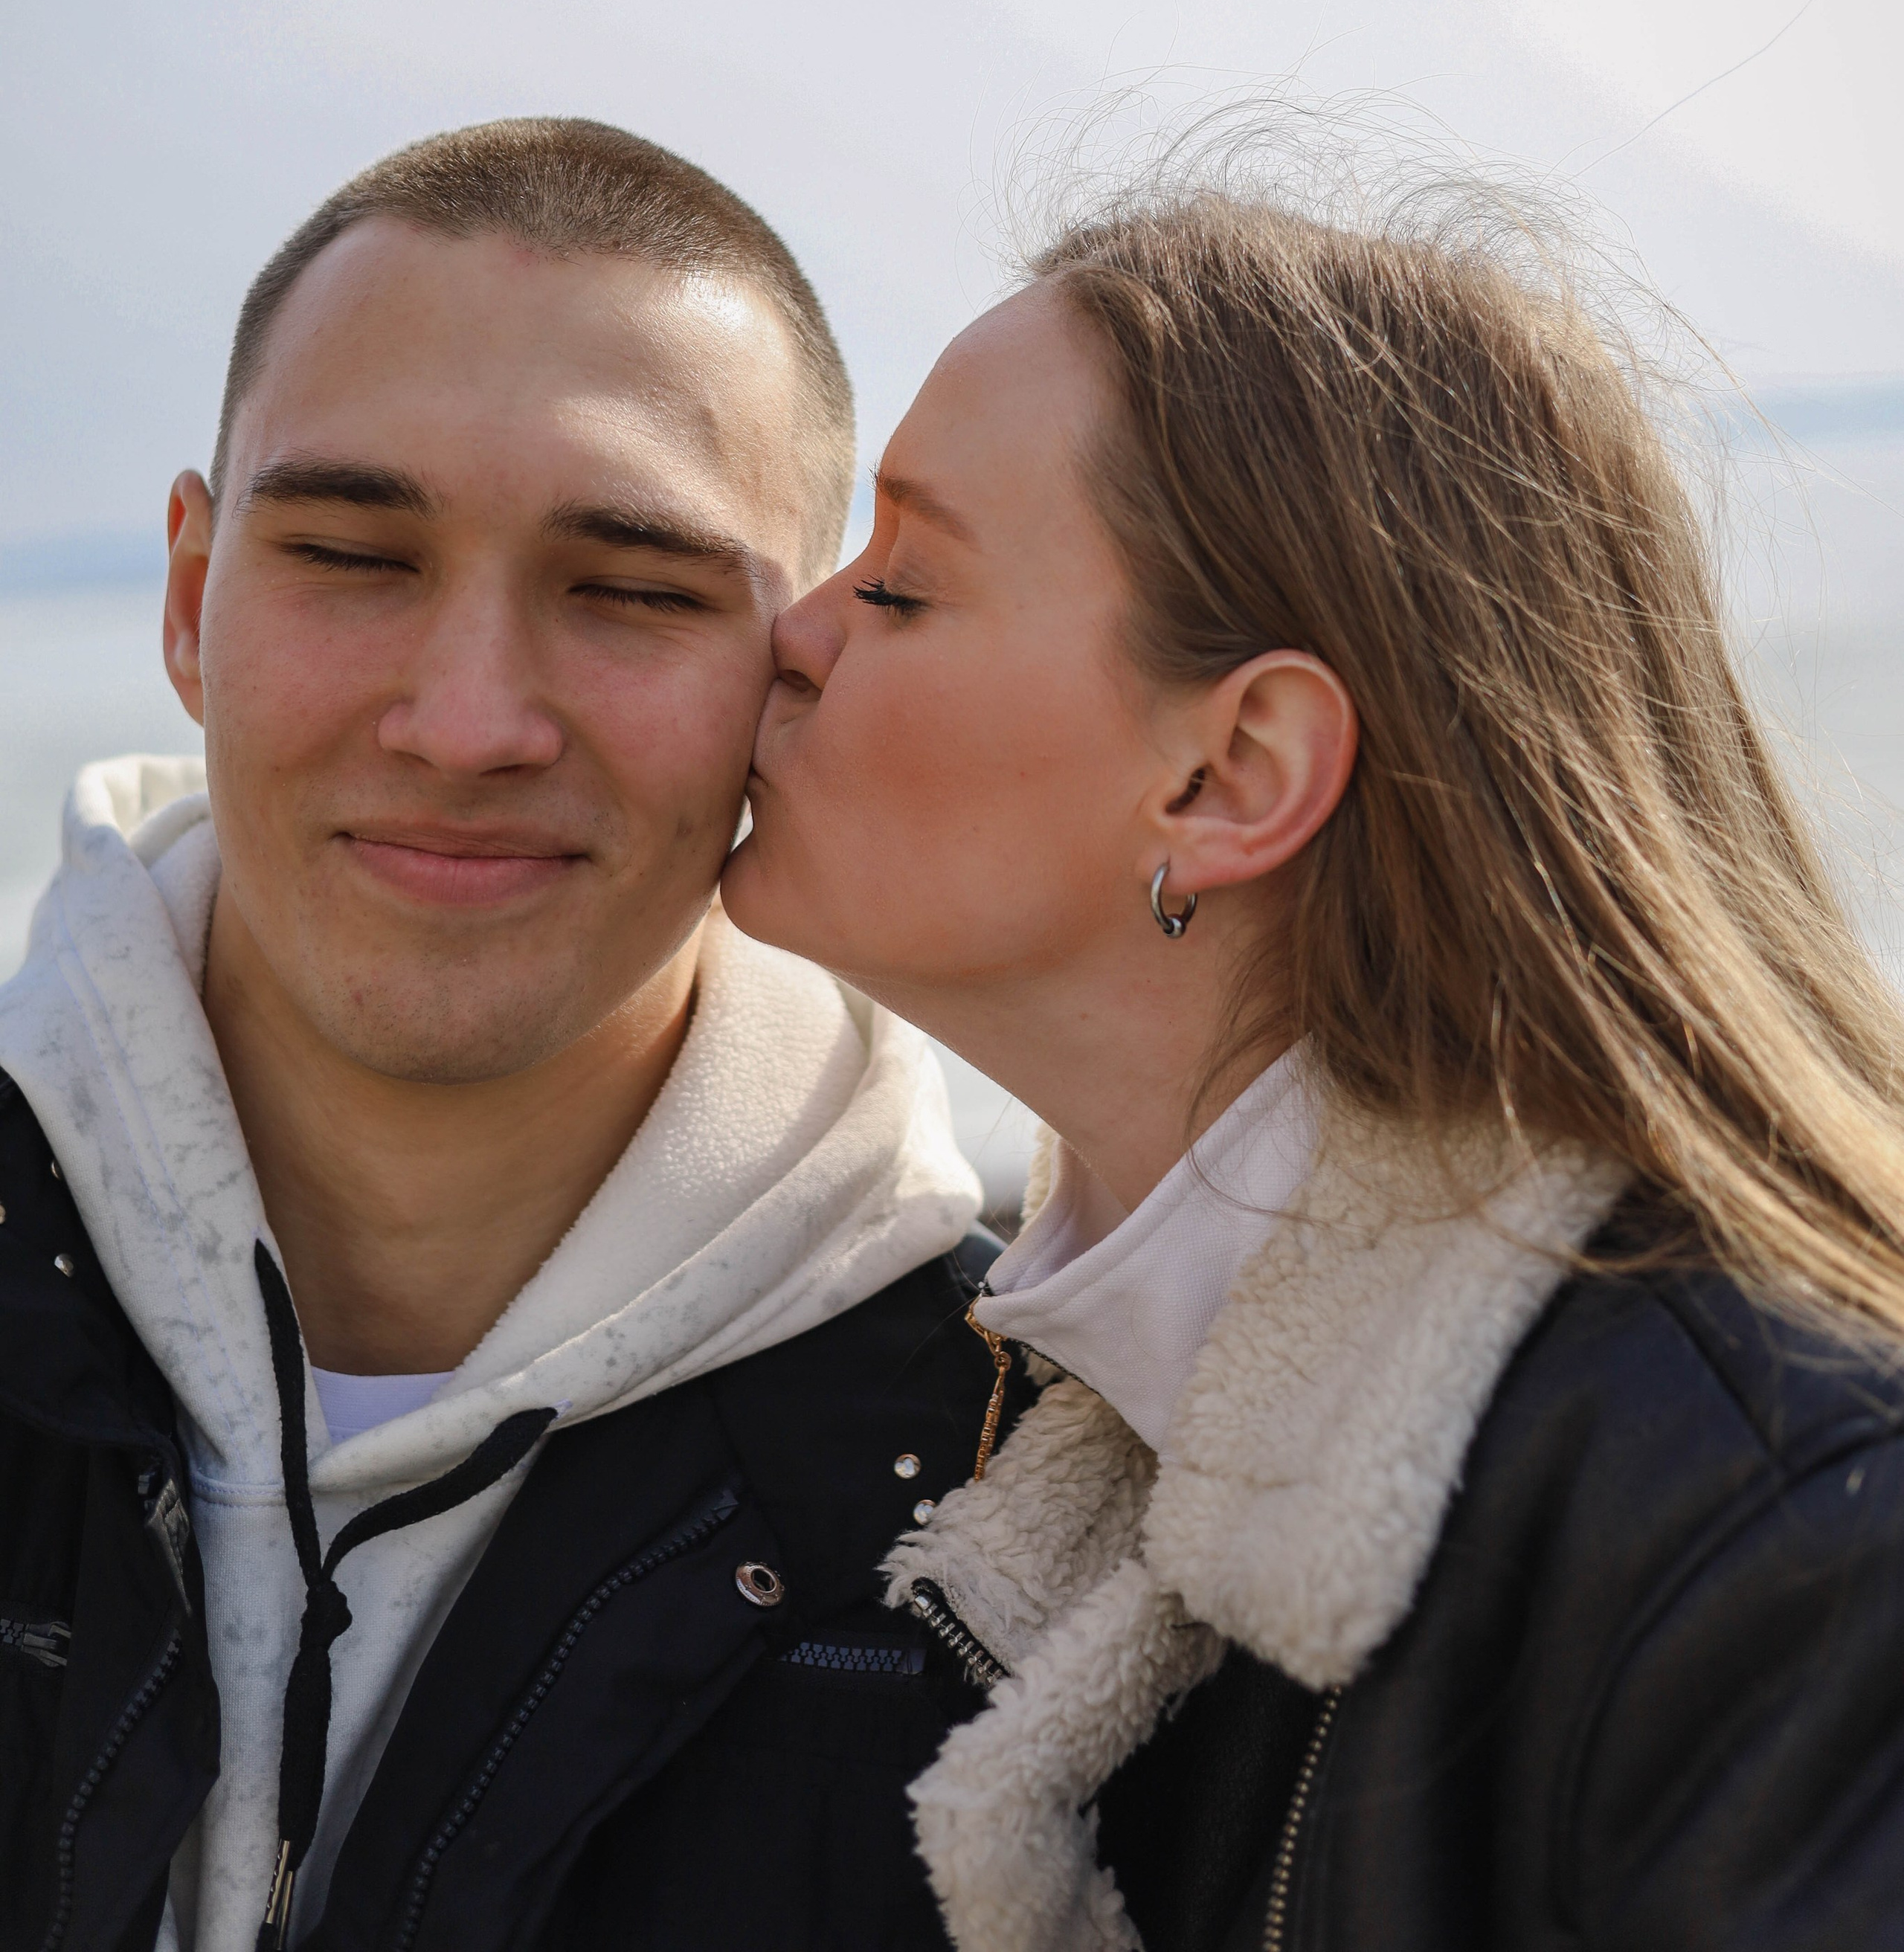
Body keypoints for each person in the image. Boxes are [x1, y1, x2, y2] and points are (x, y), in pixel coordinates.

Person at [728, 158, 1904, 1952]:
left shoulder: (1787, 1527)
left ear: (1232, 776)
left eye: (899, 585)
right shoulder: (1080, 1450)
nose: (788, 634)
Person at [0, 117, 1009, 1952]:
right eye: (352, 554)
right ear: (190, 602)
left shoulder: (1020, 1511)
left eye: (632, 591)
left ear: (791, 677)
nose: (468, 725)